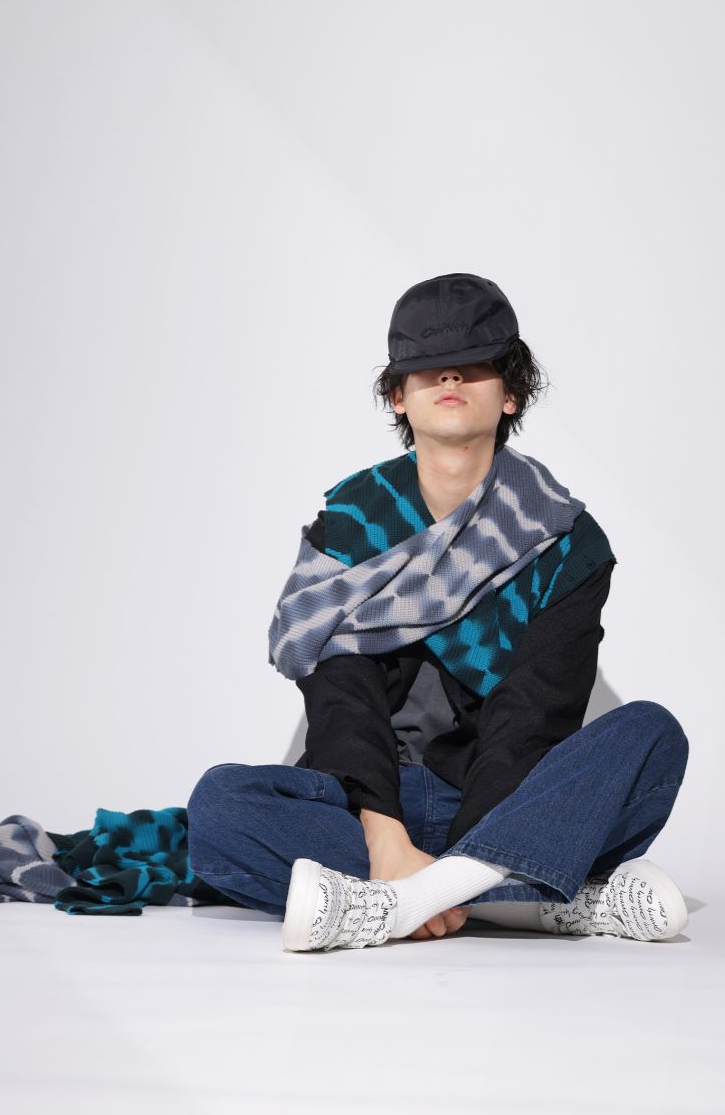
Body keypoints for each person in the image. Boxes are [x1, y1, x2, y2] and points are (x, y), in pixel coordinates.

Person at [186, 273, 690, 952]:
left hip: (506, 802)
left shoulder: (567, 542)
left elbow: (534, 717)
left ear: (510, 393)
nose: (450, 375)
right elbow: (342, 702)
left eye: (476, 363)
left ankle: (402, 902)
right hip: (365, 805)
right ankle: (527, 898)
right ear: (399, 395)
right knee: (220, 804)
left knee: (651, 735)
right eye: (427, 366)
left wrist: (472, 841)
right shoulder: (352, 523)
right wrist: (383, 831)